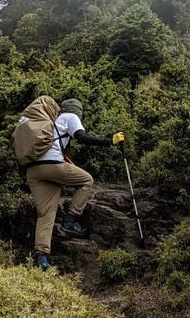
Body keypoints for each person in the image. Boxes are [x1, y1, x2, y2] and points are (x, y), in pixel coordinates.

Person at [23, 98, 124, 271]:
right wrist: (110, 141)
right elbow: (81, 137)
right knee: (86, 180)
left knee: (46, 213)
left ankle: (41, 257)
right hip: (52, 166)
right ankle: (70, 221)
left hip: (33, 171)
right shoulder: (70, 116)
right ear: (77, 111)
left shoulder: (48, 121)